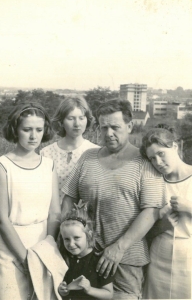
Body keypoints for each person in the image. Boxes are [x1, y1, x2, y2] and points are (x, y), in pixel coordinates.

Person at [61, 99, 166, 299]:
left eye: (115, 127)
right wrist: (68, 236)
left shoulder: (145, 161)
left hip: (126, 259)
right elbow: (68, 197)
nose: (109, 133)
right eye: (104, 127)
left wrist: (118, 248)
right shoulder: (87, 157)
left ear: (129, 126)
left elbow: (151, 211)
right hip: (84, 255)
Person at [0, 103, 60, 300]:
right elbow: (1, 219)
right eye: (27, 130)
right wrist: (25, 260)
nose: (33, 136)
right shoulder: (2, 166)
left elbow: (54, 213)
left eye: (39, 130)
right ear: (15, 130)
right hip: (10, 247)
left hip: (42, 244)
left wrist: (48, 247)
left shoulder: (49, 165)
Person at [140, 126, 192, 299]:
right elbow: (145, 228)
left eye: (161, 154)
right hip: (159, 256)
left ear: (175, 146)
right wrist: (161, 224)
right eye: (152, 158)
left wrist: (189, 207)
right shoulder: (155, 182)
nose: (158, 162)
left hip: (188, 259)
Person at [40, 96, 99, 204]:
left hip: (84, 217)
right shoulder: (46, 153)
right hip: (52, 215)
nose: (77, 124)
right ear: (61, 122)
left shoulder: (96, 152)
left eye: (81, 118)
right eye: (71, 118)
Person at [58, 200, 113, 300]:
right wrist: (63, 291)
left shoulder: (98, 260)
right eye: (66, 239)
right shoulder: (65, 258)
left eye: (77, 238)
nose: (71, 244)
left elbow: (109, 294)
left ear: (89, 235)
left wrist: (89, 289)